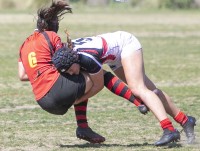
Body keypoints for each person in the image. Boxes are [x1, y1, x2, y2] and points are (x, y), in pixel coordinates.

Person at [18, 0, 148, 144]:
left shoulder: (23, 45)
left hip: (43, 102)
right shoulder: (50, 36)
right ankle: (138, 102)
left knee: (78, 81)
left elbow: (22, 75)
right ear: (51, 26)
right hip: (57, 92)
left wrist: (42, 73)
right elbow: (66, 59)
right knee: (98, 75)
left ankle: (83, 127)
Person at [52, 31, 196, 146]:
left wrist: (78, 100)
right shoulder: (71, 55)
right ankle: (185, 120)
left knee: (138, 89)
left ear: (74, 60)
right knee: (150, 91)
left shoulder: (86, 59)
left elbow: (99, 84)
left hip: (126, 45)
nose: (71, 73)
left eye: (70, 70)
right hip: (114, 56)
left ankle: (169, 129)